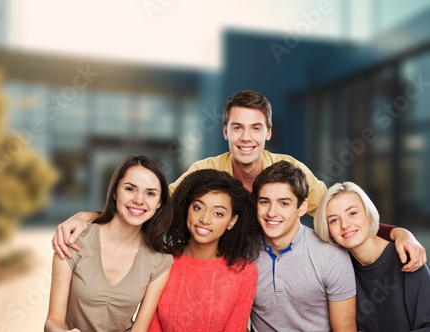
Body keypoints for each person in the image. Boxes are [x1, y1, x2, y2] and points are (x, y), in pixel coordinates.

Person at [51, 90, 426, 272]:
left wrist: (397, 234)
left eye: (255, 128)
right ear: (226, 132)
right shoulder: (205, 170)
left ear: (268, 132)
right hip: (222, 268)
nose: (246, 137)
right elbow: (152, 201)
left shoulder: (289, 171)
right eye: (238, 127)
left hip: (273, 269)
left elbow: (338, 212)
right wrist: (88, 216)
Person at [44, 155, 174, 332]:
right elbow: (53, 320)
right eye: (130, 189)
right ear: (115, 192)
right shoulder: (74, 239)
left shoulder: (161, 260)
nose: (139, 200)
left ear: (159, 203)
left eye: (150, 193)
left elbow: (140, 329)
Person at [149, 169, 262, 331]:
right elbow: (151, 325)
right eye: (198, 208)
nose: (204, 219)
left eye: (218, 213)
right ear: (186, 208)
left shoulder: (244, 272)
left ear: (232, 221)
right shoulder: (163, 259)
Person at [250, 161, 357, 331]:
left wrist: (398, 233)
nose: (271, 212)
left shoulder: (331, 255)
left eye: (284, 203)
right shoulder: (242, 251)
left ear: (302, 208)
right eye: (264, 202)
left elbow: (345, 328)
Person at [314, 181, 430, 332]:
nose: (345, 225)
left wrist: (402, 233)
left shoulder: (406, 256)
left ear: (368, 214)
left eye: (352, 213)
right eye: (334, 220)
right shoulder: (338, 266)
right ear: (328, 230)